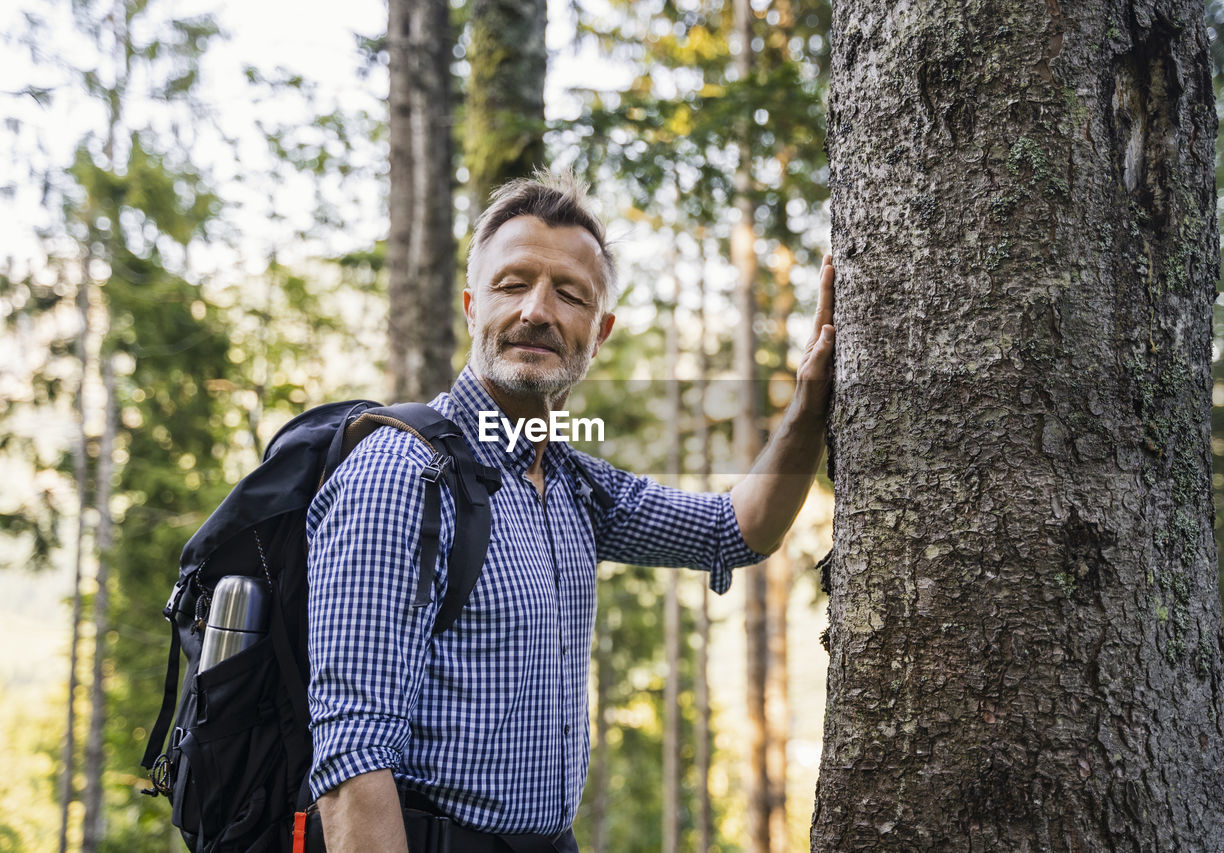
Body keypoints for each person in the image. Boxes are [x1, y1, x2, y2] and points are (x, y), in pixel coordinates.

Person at [306, 172, 835, 853]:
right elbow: (352, 763)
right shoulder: (400, 476)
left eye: (569, 293)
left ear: (599, 331)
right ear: (472, 306)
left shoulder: (573, 482)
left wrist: (811, 401)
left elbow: (737, 529)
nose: (536, 310)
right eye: (512, 283)